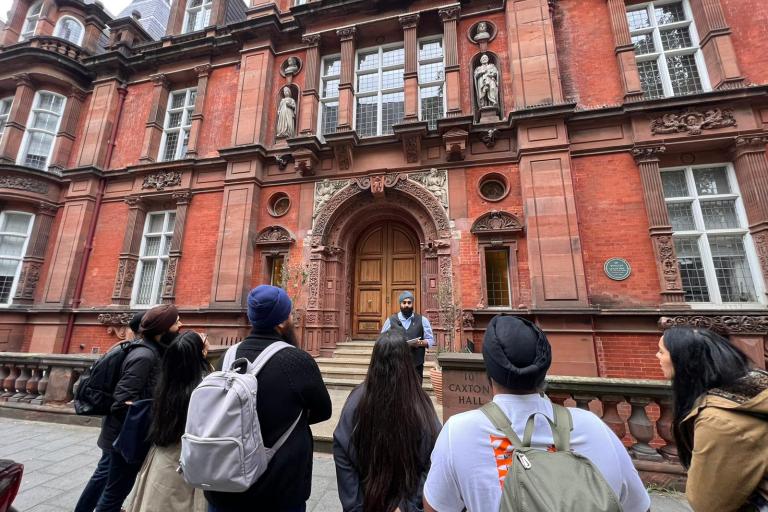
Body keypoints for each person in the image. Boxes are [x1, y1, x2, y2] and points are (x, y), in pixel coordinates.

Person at [423, 315, 650, 512]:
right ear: (544, 370)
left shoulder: (459, 432)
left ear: (489, 372)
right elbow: (639, 506)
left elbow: (436, 506)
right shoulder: (593, 425)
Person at [205, 285, 332, 512]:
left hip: (227, 483)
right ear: (282, 322)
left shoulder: (227, 357)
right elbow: (323, 410)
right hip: (278, 488)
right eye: (290, 313)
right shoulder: (296, 361)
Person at [75, 305, 181, 512]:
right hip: (123, 437)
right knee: (113, 487)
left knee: (109, 480)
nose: (180, 326)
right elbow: (123, 401)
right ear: (163, 329)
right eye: (176, 322)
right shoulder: (145, 356)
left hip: (122, 434)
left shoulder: (152, 352)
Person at [657, 327, 768, 512]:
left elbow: (708, 503)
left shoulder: (716, 420)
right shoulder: (752, 391)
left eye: (662, 351)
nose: (657, 356)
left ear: (684, 361)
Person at [333, 329, 441, 512]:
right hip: (406, 499)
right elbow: (435, 456)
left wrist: (355, 505)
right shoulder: (421, 402)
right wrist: (408, 506)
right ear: (407, 362)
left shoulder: (356, 399)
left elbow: (342, 449)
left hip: (367, 502)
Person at [127, 330, 211, 512]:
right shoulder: (202, 389)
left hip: (161, 457)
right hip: (187, 460)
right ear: (198, 355)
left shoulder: (166, 383)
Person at [381, 291, 434, 384]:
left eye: (409, 303)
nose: (406, 305)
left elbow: (430, 340)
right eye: (404, 302)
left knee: (415, 392)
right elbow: (382, 340)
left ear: (412, 303)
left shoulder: (423, 320)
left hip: (416, 364)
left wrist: (419, 343)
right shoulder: (390, 320)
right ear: (400, 304)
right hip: (396, 364)